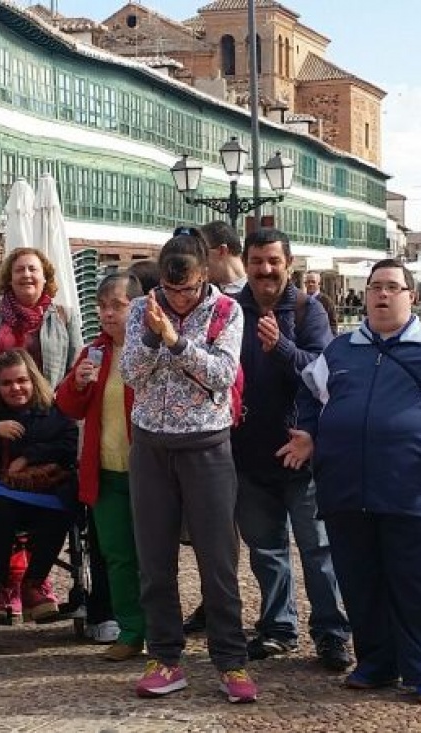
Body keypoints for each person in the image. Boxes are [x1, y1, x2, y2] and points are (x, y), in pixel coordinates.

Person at [279, 259, 421, 705]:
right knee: (360, 581)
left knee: (418, 584)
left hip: (411, 489)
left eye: (393, 287)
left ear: (411, 296)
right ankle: (376, 662)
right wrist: (308, 435)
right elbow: (310, 396)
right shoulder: (339, 350)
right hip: (346, 488)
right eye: (375, 287)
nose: (383, 295)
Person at [120, 233, 257, 703]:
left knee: (218, 560)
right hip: (152, 445)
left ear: (204, 275)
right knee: (155, 560)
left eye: (189, 290)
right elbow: (131, 372)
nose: (180, 299)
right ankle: (165, 657)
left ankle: (231, 662)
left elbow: (222, 373)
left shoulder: (226, 312)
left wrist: (176, 343)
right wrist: (154, 338)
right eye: (172, 290)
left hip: (206, 445)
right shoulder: (142, 309)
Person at [229, 228, 353, 671]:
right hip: (249, 454)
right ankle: (279, 627)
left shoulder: (307, 310)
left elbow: (324, 372)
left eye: (273, 261)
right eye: (258, 261)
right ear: (246, 262)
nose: (265, 269)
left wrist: (281, 348)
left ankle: (331, 632)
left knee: (317, 550)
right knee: (265, 550)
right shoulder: (230, 312)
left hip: (301, 452)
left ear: (289, 262)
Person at [0, 246, 83, 623]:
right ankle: (0, 585)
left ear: (45, 275)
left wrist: (63, 409)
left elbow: (77, 364)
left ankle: (34, 583)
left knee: (64, 498)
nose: (26, 276)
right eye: (18, 271)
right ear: (8, 278)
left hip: (48, 411)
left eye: (33, 270)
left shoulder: (62, 315)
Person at [55, 274, 146, 662]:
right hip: (105, 472)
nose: (108, 313)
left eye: (117, 305)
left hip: (149, 472)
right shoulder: (94, 352)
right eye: (103, 306)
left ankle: (160, 629)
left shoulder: (150, 349)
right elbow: (67, 406)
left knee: (153, 556)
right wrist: (76, 383)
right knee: (117, 554)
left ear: (138, 307)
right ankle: (130, 630)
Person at [0, 349, 78, 625]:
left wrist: (28, 457)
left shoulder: (52, 410)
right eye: (7, 383)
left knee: (62, 510)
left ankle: (34, 582)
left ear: (33, 380)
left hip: (44, 489)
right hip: (0, 491)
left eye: (21, 381)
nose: (15, 388)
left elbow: (69, 445)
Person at [178, 219, 244, 635]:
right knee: (214, 529)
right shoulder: (200, 300)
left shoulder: (235, 305)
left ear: (217, 252)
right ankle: (213, 602)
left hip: (240, 424)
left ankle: (250, 615)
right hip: (210, 426)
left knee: (241, 530)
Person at [199, 220, 247, 296]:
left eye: (200, 252)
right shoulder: (202, 295)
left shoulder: (258, 288)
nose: (197, 260)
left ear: (222, 250)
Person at [302, 271, 339, 336]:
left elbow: (333, 324)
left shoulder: (327, 301)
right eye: (308, 282)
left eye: (313, 282)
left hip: (322, 339)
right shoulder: (302, 300)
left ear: (319, 284)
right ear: (305, 284)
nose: (310, 284)